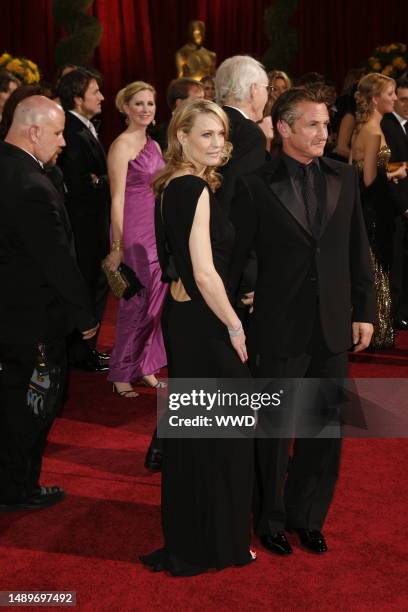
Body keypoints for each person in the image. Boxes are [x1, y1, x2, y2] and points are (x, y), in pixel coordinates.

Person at [229, 87, 376, 556]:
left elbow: (358, 249)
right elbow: (239, 251)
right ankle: (268, 519)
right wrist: (248, 287)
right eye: (312, 124)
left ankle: (307, 516)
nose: (323, 133)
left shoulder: (344, 177)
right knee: (272, 431)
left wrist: (366, 310)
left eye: (326, 125)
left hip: (332, 324)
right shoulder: (254, 182)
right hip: (278, 322)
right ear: (284, 128)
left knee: (322, 430)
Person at [140, 99, 254, 575]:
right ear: (181, 137)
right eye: (205, 134)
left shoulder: (173, 184)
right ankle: (220, 544)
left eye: (221, 135)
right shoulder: (194, 188)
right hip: (207, 323)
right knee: (225, 438)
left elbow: (179, 271)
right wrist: (234, 323)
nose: (216, 143)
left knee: (193, 437)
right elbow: (205, 274)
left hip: (184, 320)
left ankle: (193, 540)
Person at [0, 96, 98, 511]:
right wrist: (86, 318)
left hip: (9, 311)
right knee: (33, 404)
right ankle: (17, 488)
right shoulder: (32, 186)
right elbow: (57, 261)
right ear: (33, 130)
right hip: (33, 319)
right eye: (58, 133)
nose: (63, 142)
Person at [105, 82, 168, 396]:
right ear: (125, 108)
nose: (146, 109)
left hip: (156, 233)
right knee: (135, 303)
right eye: (139, 104)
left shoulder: (155, 146)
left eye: (150, 104)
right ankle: (120, 371)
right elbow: (116, 199)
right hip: (131, 234)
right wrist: (116, 246)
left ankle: (146, 365)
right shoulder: (121, 145)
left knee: (157, 302)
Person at [57, 69, 111, 371]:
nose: (102, 97)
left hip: (91, 224)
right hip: (84, 226)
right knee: (88, 285)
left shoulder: (83, 127)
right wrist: (109, 179)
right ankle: (80, 353)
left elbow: (92, 180)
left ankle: (84, 351)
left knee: (93, 286)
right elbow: (79, 185)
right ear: (78, 99)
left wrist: (99, 179)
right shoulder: (73, 133)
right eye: (95, 92)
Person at [351, 73, 407, 349]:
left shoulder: (369, 126)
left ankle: (378, 327)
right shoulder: (372, 131)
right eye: (390, 93)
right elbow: (370, 181)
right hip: (375, 212)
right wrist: (395, 173)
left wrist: (392, 171)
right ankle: (378, 330)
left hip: (371, 208)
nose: (394, 98)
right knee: (378, 267)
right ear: (375, 99)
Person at [214, 55, 268, 215]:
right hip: (231, 230)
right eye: (267, 88)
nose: (268, 95)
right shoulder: (250, 133)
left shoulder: (208, 121)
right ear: (253, 90)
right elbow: (243, 195)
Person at [381, 78, 408, 329]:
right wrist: (404, 207)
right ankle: (396, 313)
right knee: (396, 264)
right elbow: (389, 173)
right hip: (396, 209)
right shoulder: (387, 126)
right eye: (403, 99)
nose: (407, 104)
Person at [151, 78, 204, 151]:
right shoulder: (159, 135)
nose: (204, 104)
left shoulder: (208, 127)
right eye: (198, 99)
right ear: (179, 102)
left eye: (203, 98)